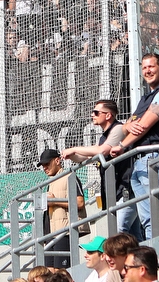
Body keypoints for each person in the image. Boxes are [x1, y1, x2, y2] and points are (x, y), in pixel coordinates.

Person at [110, 53, 159, 238]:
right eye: (144, 68)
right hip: (139, 161)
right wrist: (127, 126)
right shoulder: (145, 99)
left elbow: (143, 125)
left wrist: (122, 145)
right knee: (148, 219)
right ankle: (155, 255)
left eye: (151, 67)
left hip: (155, 157)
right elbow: (127, 126)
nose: (147, 71)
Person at [62, 99, 141, 240]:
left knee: (119, 233)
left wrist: (74, 149)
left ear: (108, 115)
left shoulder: (118, 129)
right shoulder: (104, 136)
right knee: (134, 236)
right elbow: (87, 157)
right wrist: (71, 156)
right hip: (115, 191)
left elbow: (101, 151)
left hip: (125, 190)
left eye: (96, 112)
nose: (93, 115)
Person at [38, 148, 85, 269]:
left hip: (65, 232)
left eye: (47, 164)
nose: (44, 168)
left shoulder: (69, 176)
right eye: (42, 165)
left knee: (61, 274)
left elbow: (80, 203)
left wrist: (55, 201)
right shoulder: (50, 182)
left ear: (57, 161)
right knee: (49, 273)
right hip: (50, 234)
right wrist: (45, 234)